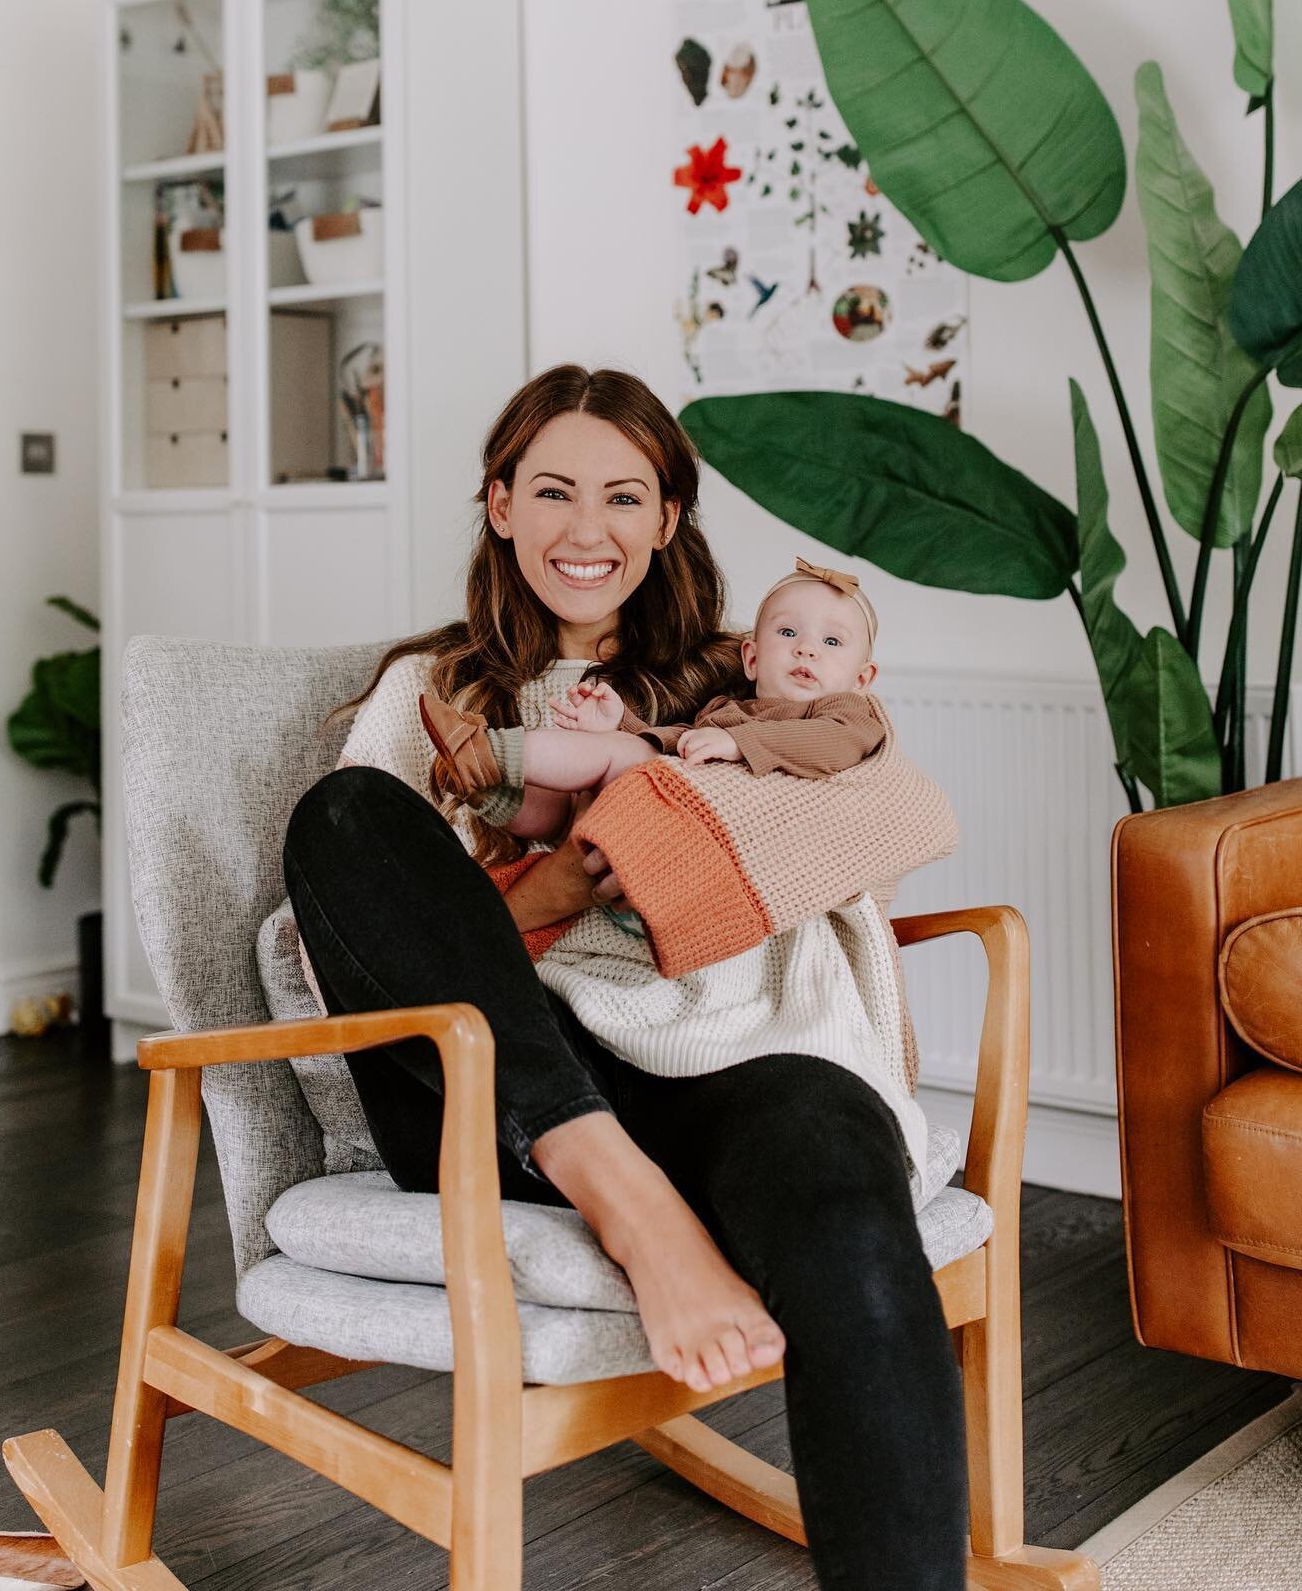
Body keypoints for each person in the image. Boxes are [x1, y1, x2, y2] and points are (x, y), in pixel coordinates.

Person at [282, 364, 967, 1588]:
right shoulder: (425, 698)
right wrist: (546, 895)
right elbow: (333, 934)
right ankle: (631, 1204)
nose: (585, 532)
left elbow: (901, 812)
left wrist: (683, 843)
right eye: (550, 492)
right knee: (344, 817)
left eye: (623, 498)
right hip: (500, 1093)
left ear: (667, 519)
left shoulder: (755, 679)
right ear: (498, 505)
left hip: (733, 1062)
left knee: (843, 1203)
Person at [415, 556, 886, 846]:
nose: (806, 648)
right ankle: (483, 784)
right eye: (788, 632)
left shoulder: (849, 714)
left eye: (832, 642)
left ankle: (492, 751)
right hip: (645, 836)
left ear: (863, 678)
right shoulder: (730, 708)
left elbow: (830, 745)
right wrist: (623, 721)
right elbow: (675, 742)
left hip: (698, 848)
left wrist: (737, 746)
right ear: (752, 658)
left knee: (623, 759)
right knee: (566, 804)